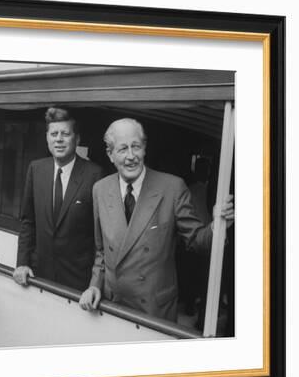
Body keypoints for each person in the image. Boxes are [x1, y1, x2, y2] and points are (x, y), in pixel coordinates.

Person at [79, 118, 234, 321]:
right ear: (110, 154)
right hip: (111, 305)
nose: (131, 156)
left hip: (154, 310)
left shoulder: (172, 187)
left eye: (136, 147)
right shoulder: (100, 189)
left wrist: (218, 224)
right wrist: (94, 286)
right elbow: (102, 252)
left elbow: (198, 241)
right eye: (122, 149)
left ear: (144, 149)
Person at [13, 107, 104, 291]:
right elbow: (28, 222)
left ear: (77, 139)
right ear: (47, 138)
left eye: (65, 134)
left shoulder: (95, 174)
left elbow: (100, 238)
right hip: (38, 276)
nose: (59, 139)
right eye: (54, 134)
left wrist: (95, 284)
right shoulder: (36, 169)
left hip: (78, 282)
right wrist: (22, 263)